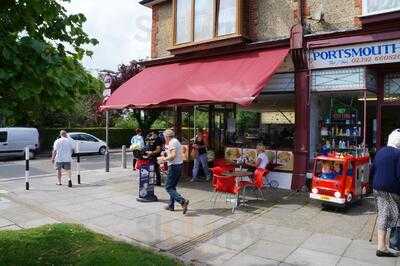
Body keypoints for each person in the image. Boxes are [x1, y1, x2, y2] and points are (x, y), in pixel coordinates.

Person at [371, 129, 400, 257]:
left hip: (377, 187)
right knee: (396, 214)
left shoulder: (380, 151)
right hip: (392, 189)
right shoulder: (398, 154)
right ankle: (394, 244)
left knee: (383, 214)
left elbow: (373, 170)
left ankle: (381, 246)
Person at [160, 129, 189, 214]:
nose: (164, 138)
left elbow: (172, 156)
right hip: (178, 166)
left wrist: (163, 160)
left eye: (164, 137)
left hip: (174, 167)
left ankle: (182, 201)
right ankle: (171, 205)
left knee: (168, 187)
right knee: (172, 187)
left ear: (167, 136)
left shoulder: (172, 142)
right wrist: (165, 154)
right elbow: (172, 153)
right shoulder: (175, 141)